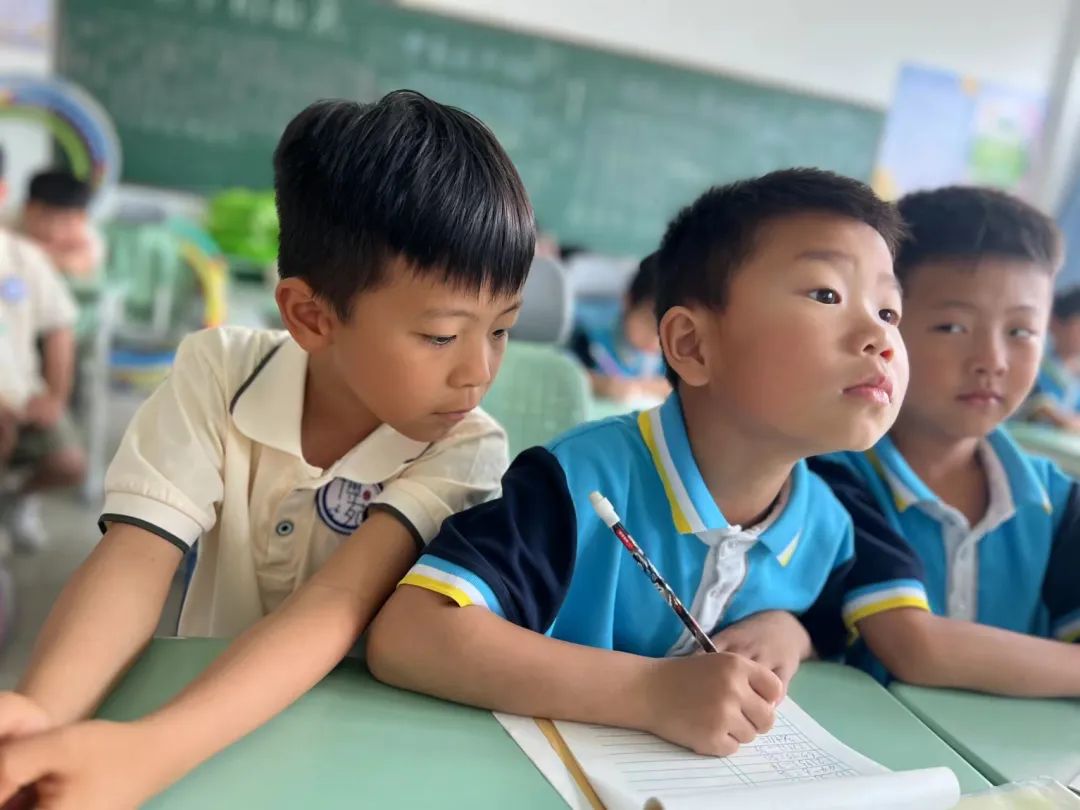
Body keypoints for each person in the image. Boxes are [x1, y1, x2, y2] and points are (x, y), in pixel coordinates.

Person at [0, 90, 535, 809]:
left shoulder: (466, 445)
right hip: (199, 718)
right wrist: (41, 714)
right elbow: (135, 557)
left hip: (354, 754)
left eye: (501, 329)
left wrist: (149, 753)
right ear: (312, 317)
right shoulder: (219, 373)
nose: (479, 371)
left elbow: (336, 604)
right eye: (443, 335)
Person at [366, 168, 909, 757]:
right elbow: (411, 634)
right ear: (693, 346)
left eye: (888, 312)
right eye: (827, 294)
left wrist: (793, 631)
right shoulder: (581, 482)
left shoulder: (828, 526)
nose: (878, 337)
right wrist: (653, 693)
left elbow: (835, 626)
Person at [810, 186, 1080, 696]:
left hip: (1013, 768)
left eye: (1021, 332)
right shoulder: (831, 475)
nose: (992, 360)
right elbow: (914, 647)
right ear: (884, 324)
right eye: (952, 326)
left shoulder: (1060, 502)